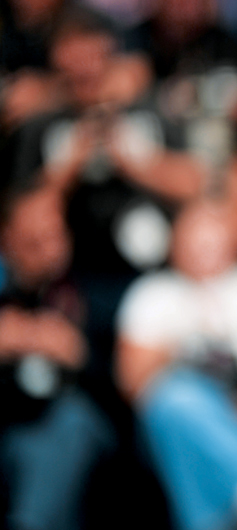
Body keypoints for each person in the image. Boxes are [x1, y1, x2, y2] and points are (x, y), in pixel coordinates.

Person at [115, 201, 237, 530]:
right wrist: (181, 342)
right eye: (193, 239)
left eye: (213, 238)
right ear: (173, 243)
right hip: (171, 428)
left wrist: (224, 416)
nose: (203, 250)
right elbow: (136, 389)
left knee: (192, 451)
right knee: (175, 400)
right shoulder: (151, 295)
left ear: (236, 241)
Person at [0, 187, 114, 530]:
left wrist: (80, 353)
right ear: (7, 240)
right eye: (34, 241)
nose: (50, 251)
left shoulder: (91, 291)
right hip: (10, 424)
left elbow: (124, 388)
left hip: (73, 424)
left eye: (55, 235)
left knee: (68, 425)